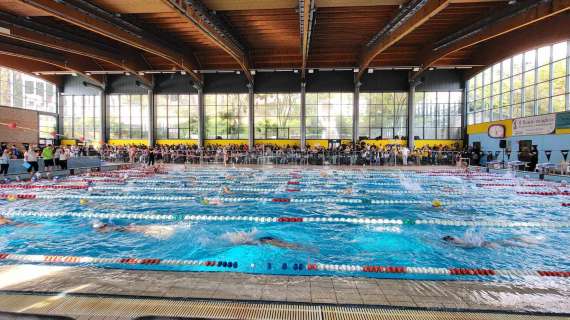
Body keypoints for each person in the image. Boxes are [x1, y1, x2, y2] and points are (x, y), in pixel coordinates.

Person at [91, 221, 175, 239]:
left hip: (124, 229)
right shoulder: (109, 226)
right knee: (142, 228)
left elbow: (104, 232)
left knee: (142, 230)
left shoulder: (106, 229)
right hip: (124, 227)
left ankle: (160, 232)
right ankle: (161, 229)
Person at [442, 235, 542, 249]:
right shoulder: (460, 241)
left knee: (509, 243)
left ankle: (529, 243)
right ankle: (531, 241)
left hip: (487, 244)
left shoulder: (460, 243)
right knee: (510, 242)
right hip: (488, 243)